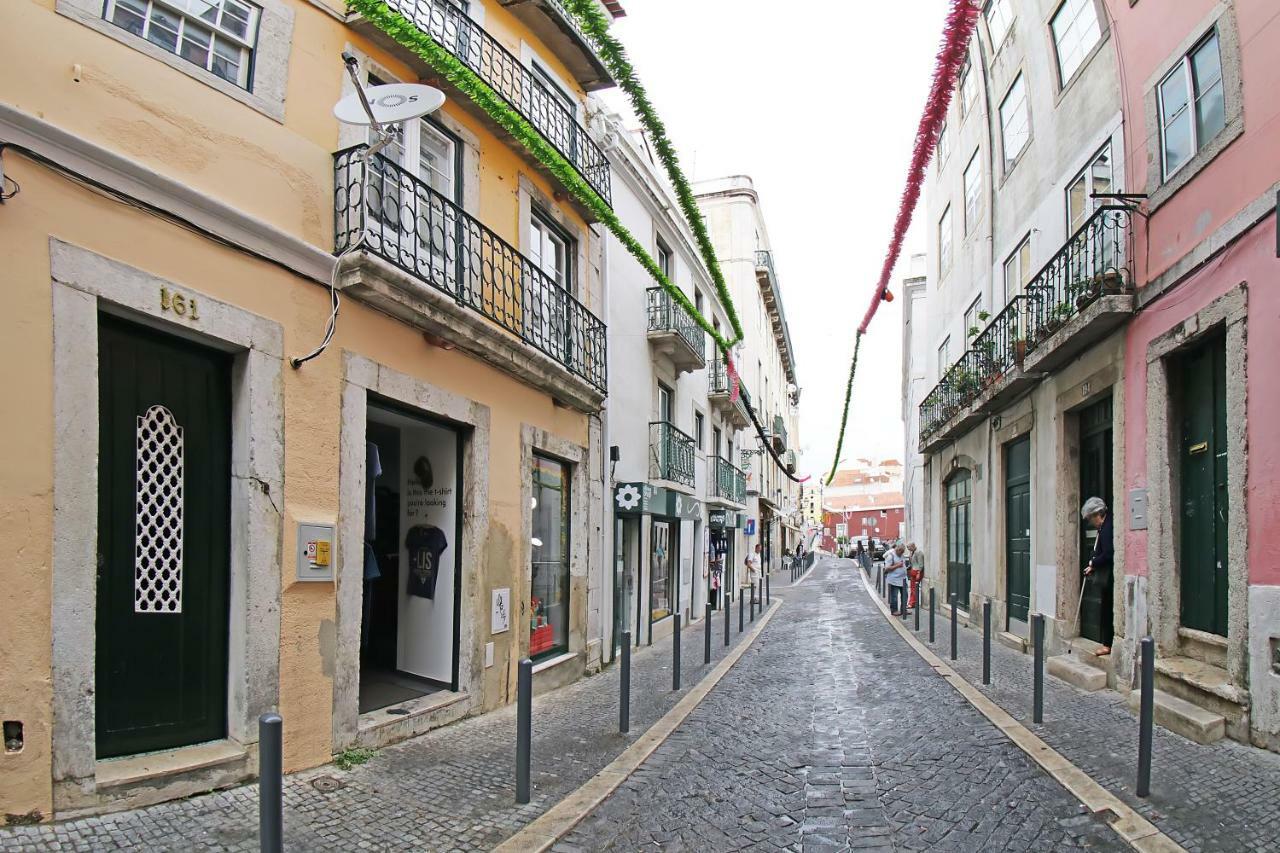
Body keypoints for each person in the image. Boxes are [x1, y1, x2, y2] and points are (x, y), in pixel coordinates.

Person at [1081, 497, 1114, 656]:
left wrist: (1094, 562)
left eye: (1090, 519)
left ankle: (1107, 645)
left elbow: (1108, 554)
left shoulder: (1107, 529)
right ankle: (1107, 643)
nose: (1091, 523)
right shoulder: (1105, 526)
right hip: (1106, 575)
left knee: (1107, 610)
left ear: (1097, 515)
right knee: (1106, 608)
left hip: (1110, 578)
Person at [885, 543, 909, 617]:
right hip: (894, 579)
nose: (901, 553)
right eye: (901, 551)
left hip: (903, 579)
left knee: (905, 595)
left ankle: (904, 609)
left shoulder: (902, 555)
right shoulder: (891, 556)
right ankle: (894, 610)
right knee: (894, 596)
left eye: (903, 552)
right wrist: (897, 565)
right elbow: (887, 568)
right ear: (897, 550)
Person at [906, 542, 924, 610]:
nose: (909, 550)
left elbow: (921, 564)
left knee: (914, 588)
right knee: (912, 588)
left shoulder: (919, 552)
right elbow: (912, 563)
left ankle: (912, 603)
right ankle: (912, 602)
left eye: (909, 548)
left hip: (917, 572)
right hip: (913, 571)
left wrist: (919, 573)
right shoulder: (912, 553)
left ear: (913, 546)